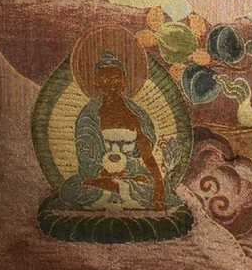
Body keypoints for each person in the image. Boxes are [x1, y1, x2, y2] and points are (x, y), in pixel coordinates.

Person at [56, 50, 169, 212]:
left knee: (156, 188)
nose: (110, 84)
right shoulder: (89, 116)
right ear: (96, 82)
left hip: (131, 175)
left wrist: (158, 182)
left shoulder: (136, 115)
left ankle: (117, 190)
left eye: (116, 78)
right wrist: (102, 173)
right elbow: (85, 154)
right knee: (70, 190)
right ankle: (119, 191)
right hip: (100, 177)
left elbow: (146, 154)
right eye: (104, 79)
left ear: (124, 81)